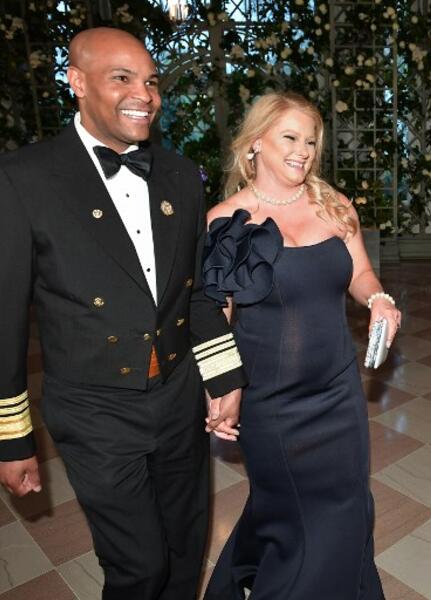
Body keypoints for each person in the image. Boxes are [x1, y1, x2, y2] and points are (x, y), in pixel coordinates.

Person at [0, 28, 247, 599]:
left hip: (178, 395)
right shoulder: (22, 180)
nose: (145, 94)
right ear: (77, 83)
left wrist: (224, 375)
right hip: (94, 408)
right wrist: (13, 438)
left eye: (152, 80)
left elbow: (198, 293)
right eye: (123, 78)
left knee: (185, 552)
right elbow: (5, 322)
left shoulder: (182, 175)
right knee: (139, 567)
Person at [202, 91, 398, 599]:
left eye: (311, 141)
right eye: (290, 137)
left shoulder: (333, 205)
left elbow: (359, 272)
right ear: (255, 144)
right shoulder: (227, 219)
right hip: (269, 402)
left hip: (337, 393)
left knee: (345, 502)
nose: (303, 151)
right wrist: (220, 390)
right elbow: (214, 316)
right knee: (296, 514)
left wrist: (378, 298)